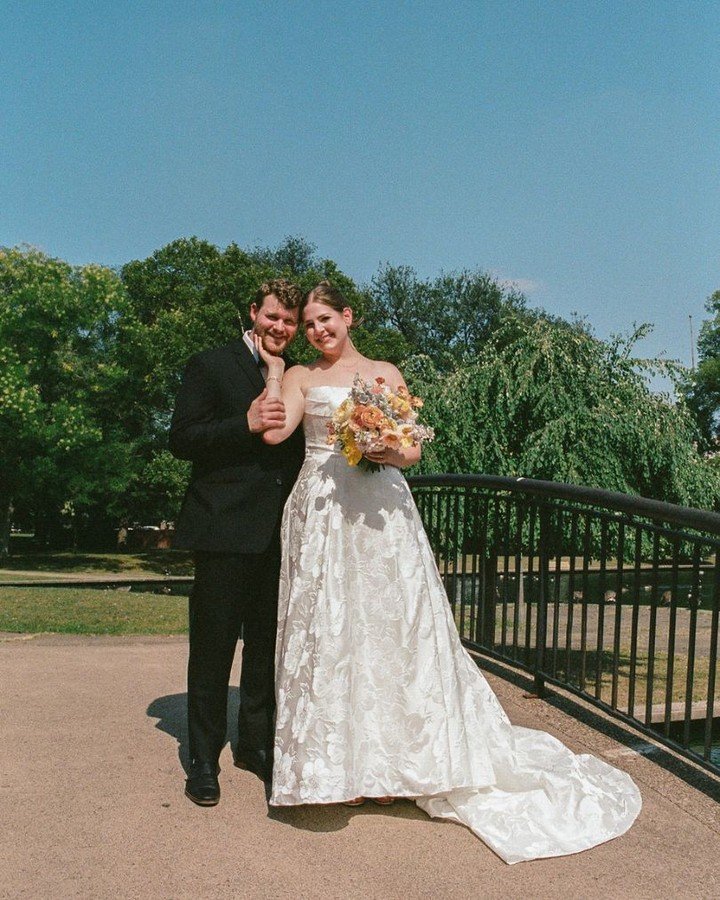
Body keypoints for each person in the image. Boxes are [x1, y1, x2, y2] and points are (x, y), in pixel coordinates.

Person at [255, 280, 642, 864]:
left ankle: (395, 765)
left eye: (325, 319)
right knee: (331, 632)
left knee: (392, 631)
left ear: (348, 317)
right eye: (309, 324)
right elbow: (273, 430)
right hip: (323, 512)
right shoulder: (301, 377)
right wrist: (271, 370)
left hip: (382, 512)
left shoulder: (384, 371)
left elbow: (412, 450)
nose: (318, 331)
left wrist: (387, 447)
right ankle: (340, 767)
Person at [169, 279, 305, 806]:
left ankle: (255, 746)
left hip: (281, 536)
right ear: (254, 313)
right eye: (273, 317)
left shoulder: (295, 375)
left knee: (266, 651)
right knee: (212, 649)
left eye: (290, 322)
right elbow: (181, 437)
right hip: (223, 530)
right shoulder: (210, 364)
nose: (281, 328)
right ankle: (203, 759)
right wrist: (242, 424)